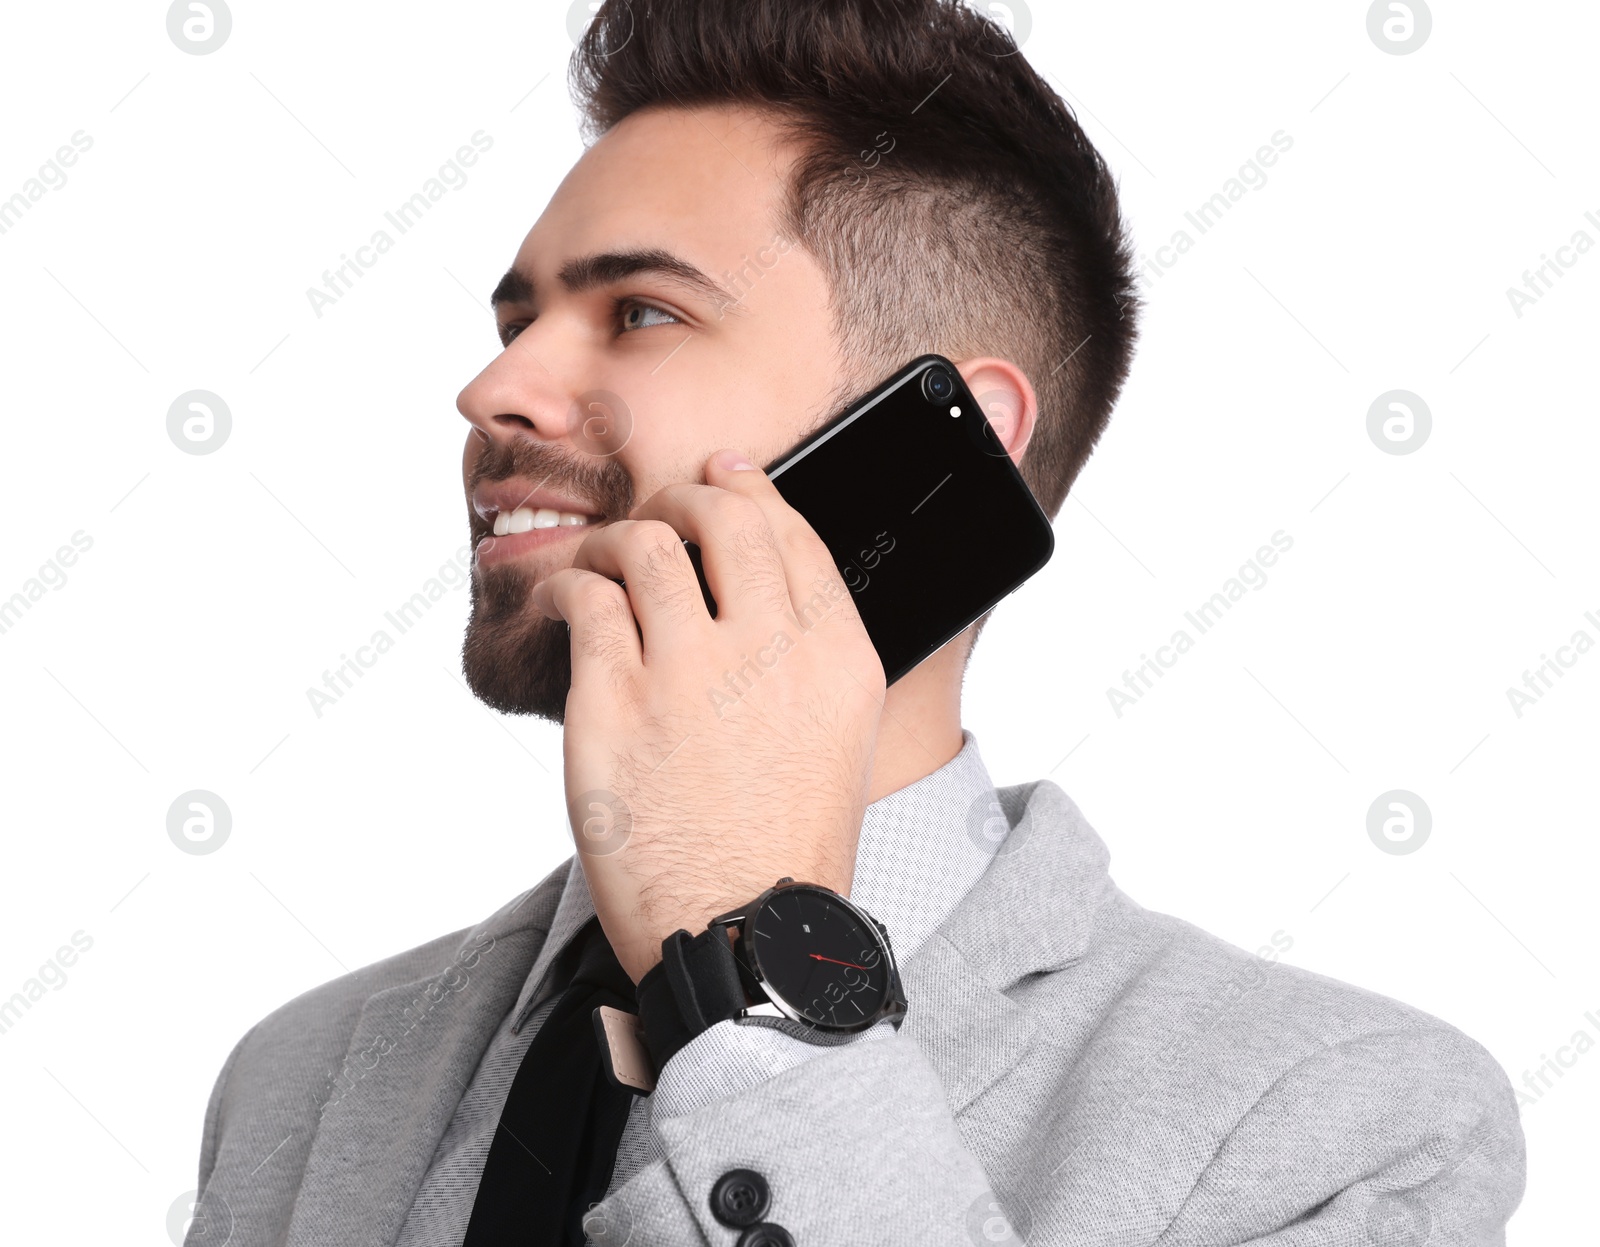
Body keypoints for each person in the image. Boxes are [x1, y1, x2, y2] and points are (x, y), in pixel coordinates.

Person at [186, 2, 1525, 1243]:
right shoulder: (303, 1078)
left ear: (953, 448)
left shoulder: (1344, 1121)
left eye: (641, 311)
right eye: (520, 318)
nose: (495, 387)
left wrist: (750, 965)